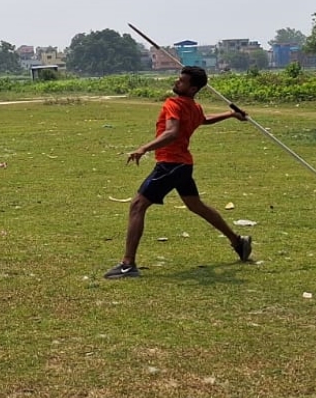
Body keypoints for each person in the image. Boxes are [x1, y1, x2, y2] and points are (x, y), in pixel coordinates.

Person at [104, 65, 252, 279]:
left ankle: (128, 264)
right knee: (196, 205)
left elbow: (171, 133)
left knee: (137, 206)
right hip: (182, 165)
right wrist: (231, 114)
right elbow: (205, 119)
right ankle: (238, 242)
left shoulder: (174, 104)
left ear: (192, 89)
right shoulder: (193, 106)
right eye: (178, 78)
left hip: (170, 164)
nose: (176, 81)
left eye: (181, 81)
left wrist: (144, 148)